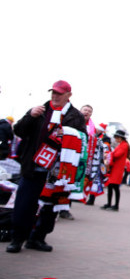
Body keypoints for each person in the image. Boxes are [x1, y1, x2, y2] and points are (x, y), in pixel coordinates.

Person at [6, 80, 86, 253]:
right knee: (24, 205)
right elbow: (19, 131)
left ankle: (37, 238)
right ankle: (17, 238)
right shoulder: (40, 110)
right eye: (53, 92)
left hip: (57, 173)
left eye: (59, 93)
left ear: (68, 95)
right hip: (33, 167)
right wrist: (30, 116)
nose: (55, 95)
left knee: (50, 208)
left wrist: (67, 135)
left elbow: (82, 141)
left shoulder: (75, 116)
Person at [101, 130, 130, 212]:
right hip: (115, 168)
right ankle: (109, 203)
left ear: (120, 138)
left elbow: (117, 154)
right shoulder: (122, 144)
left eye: (116, 138)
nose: (115, 139)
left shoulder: (124, 145)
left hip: (118, 168)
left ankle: (115, 205)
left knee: (115, 187)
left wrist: (109, 154)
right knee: (111, 186)